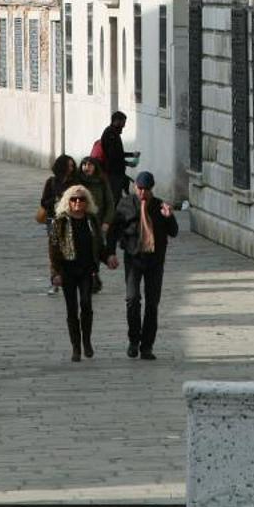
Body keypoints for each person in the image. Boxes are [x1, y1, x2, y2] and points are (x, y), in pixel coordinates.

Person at [109, 170, 178, 360]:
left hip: (155, 260)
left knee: (152, 303)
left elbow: (174, 232)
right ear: (135, 187)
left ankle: (147, 345)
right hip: (133, 258)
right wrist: (110, 253)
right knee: (132, 299)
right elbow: (114, 229)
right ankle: (133, 340)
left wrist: (169, 216)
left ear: (151, 189)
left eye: (145, 190)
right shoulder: (125, 204)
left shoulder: (159, 206)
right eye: (139, 188)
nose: (141, 193)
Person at [47, 184, 115, 361]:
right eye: (74, 199)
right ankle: (75, 347)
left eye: (82, 199)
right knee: (71, 309)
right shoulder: (60, 222)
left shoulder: (91, 220)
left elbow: (99, 245)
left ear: (87, 202)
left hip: (86, 270)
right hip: (67, 270)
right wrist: (55, 273)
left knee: (86, 304)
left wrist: (107, 258)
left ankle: (87, 341)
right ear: (67, 201)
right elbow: (53, 250)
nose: (78, 202)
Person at [38, 155, 79, 295]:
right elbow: (43, 202)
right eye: (69, 165)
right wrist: (56, 200)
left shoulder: (75, 183)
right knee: (54, 251)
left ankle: (68, 279)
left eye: (73, 166)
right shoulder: (51, 182)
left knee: (69, 250)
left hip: (71, 220)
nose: (72, 168)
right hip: (53, 220)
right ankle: (55, 280)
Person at [96, 112, 129, 199]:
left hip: (117, 172)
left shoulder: (114, 133)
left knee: (117, 196)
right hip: (113, 173)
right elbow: (113, 155)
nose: (124, 126)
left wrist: (131, 155)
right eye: (123, 123)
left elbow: (118, 153)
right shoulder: (110, 134)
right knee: (115, 197)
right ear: (117, 121)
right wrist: (126, 162)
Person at [75, 155, 114, 224]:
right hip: (79, 220)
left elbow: (109, 202)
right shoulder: (77, 181)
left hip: (98, 220)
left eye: (90, 164)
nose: (87, 167)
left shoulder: (101, 182)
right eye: (84, 164)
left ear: (95, 167)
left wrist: (107, 222)